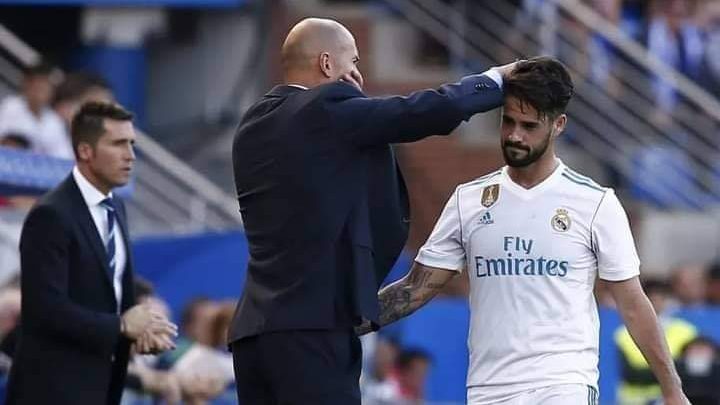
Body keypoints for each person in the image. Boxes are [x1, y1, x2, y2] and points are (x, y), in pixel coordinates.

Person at [364, 57, 690, 405]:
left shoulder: (595, 203)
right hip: (489, 389)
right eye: (509, 122)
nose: (515, 136)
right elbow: (415, 288)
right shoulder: (468, 201)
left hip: (563, 385)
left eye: (529, 126)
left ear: (558, 125)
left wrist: (672, 390)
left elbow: (634, 304)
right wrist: (343, 323)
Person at [229, 17, 511, 405]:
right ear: (327, 64)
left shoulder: (252, 123)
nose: (357, 75)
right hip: (314, 331)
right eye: (353, 62)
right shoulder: (326, 107)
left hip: (253, 333)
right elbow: (418, 112)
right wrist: (496, 80)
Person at [5, 101, 178, 405]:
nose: (130, 155)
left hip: (103, 384)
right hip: (52, 390)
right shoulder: (51, 214)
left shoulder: (116, 207)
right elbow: (45, 309)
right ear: (85, 151)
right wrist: (121, 326)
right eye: (118, 144)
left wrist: (141, 332)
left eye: (132, 144)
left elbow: (109, 294)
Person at [614, 279, 697, 404]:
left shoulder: (686, 331)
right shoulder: (623, 334)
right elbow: (631, 374)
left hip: (671, 400)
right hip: (635, 401)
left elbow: (690, 371)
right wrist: (671, 373)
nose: (656, 303)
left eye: (661, 298)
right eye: (652, 299)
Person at [0, 62, 71, 159]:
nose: (42, 92)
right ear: (27, 83)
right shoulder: (11, 106)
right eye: (39, 86)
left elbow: (64, 156)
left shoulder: (54, 121)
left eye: (47, 88)